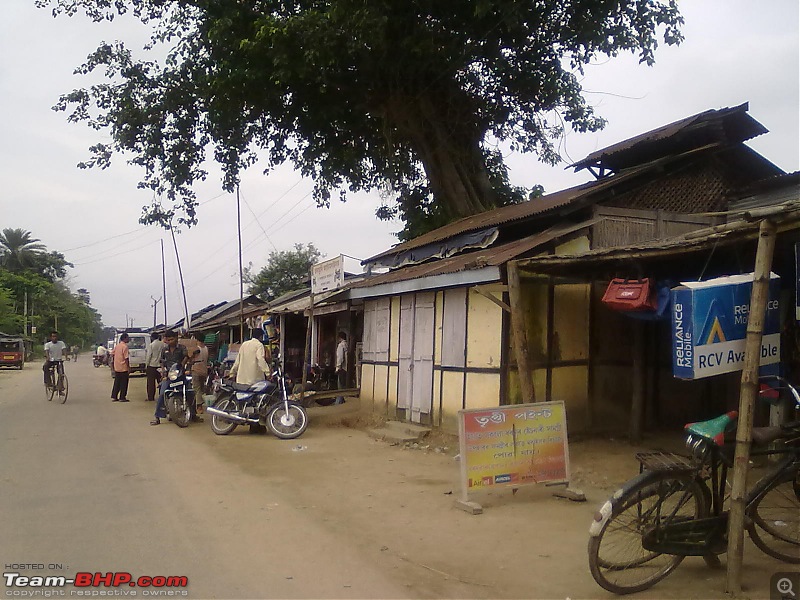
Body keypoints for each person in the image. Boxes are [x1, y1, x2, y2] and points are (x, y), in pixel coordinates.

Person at [151, 330, 189, 425]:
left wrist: (182, 366)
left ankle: (193, 413)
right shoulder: (164, 350)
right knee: (162, 393)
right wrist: (163, 371)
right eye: (168, 340)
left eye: (172, 339)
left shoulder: (182, 348)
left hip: (180, 374)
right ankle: (157, 417)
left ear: (176, 338)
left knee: (190, 391)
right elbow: (162, 361)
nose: (170, 341)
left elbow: (186, 357)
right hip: (169, 376)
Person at [190, 333, 209, 419]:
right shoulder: (206, 348)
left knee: (196, 389)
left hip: (196, 370)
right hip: (204, 371)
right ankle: (200, 405)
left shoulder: (196, 348)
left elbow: (191, 358)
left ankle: (199, 407)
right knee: (201, 389)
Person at [144, 332, 165, 402]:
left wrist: (146, 364)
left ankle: (151, 397)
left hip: (152, 365)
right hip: (161, 366)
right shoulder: (163, 344)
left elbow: (149, 355)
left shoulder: (151, 345)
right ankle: (162, 396)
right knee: (161, 381)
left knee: (150, 383)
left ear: (152, 338)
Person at [111, 332, 130, 402]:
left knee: (117, 382)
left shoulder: (117, 346)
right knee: (124, 383)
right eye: (128, 338)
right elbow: (126, 358)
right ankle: (122, 397)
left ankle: (114, 396)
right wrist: (128, 367)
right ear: (125, 338)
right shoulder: (125, 347)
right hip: (123, 367)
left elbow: (112, 353)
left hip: (117, 367)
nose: (129, 339)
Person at [334, 331, 348, 405]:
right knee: (343, 385)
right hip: (345, 368)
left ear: (340, 337)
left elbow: (340, 358)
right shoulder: (346, 345)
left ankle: (338, 402)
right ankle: (341, 401)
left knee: (340, 386)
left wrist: (338, 367)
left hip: (341, 368)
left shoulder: (340, 345)